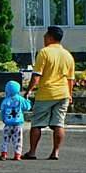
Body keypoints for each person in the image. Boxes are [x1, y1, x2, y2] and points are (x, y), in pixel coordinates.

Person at [23, 25, 75, 160]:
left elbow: (36, 75)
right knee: (59, 123)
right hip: (63, 93)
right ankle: (55, 152)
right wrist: (70, 95)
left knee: (37, 123)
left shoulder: (44, 52)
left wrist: (28, 90)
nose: (44, 37)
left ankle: (32, 152)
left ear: (51, 37)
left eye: (46, 35)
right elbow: (70, 79)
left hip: (46, 93)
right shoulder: (68, 55)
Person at [0, 79, 31, 160]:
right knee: (18, 140)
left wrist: (4, 119)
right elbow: (27, 107)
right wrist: (28, 100)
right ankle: (17, 155)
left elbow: (2, 111)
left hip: (8, 124)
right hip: (18, 124)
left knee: (5, 140)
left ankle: (4, 154)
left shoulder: (5, 101)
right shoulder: (20, 99)